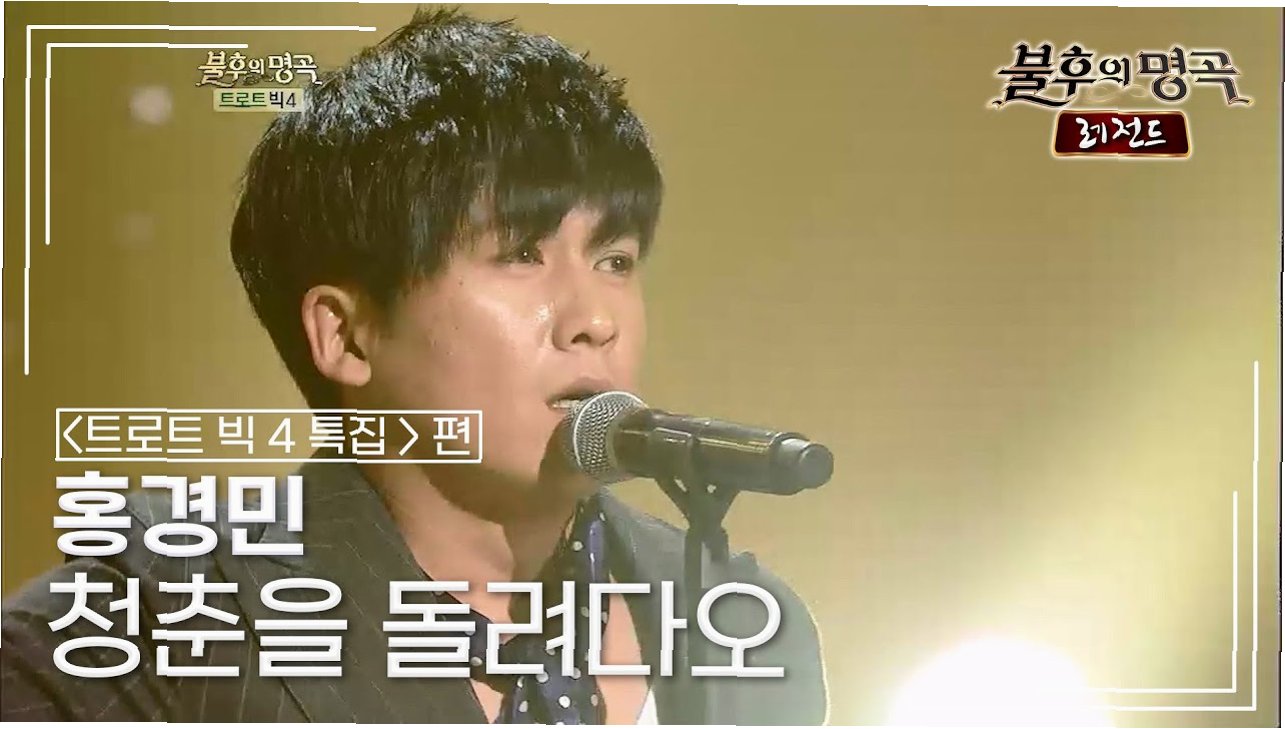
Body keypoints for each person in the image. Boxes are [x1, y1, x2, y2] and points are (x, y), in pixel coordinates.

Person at [1, 9, 828, 724]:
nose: (595, 320)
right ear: (346, 336)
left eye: (614, 259)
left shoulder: (743, 625)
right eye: (521, 254)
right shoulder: (142, 627)